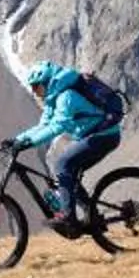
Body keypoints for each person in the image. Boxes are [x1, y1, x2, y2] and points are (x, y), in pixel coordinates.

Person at [9, 61, 123, 232]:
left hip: (104, 136)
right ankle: (92, 217)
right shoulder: (53, 99)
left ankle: (68, 217)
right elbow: (44, 125)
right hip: (93, 135)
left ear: (48, 82)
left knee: (63, 164)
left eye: (37, 88)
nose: (35, 93)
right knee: (70, 174)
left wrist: (29, 143)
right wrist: (18, 139)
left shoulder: (66, 97)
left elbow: (57, 127)